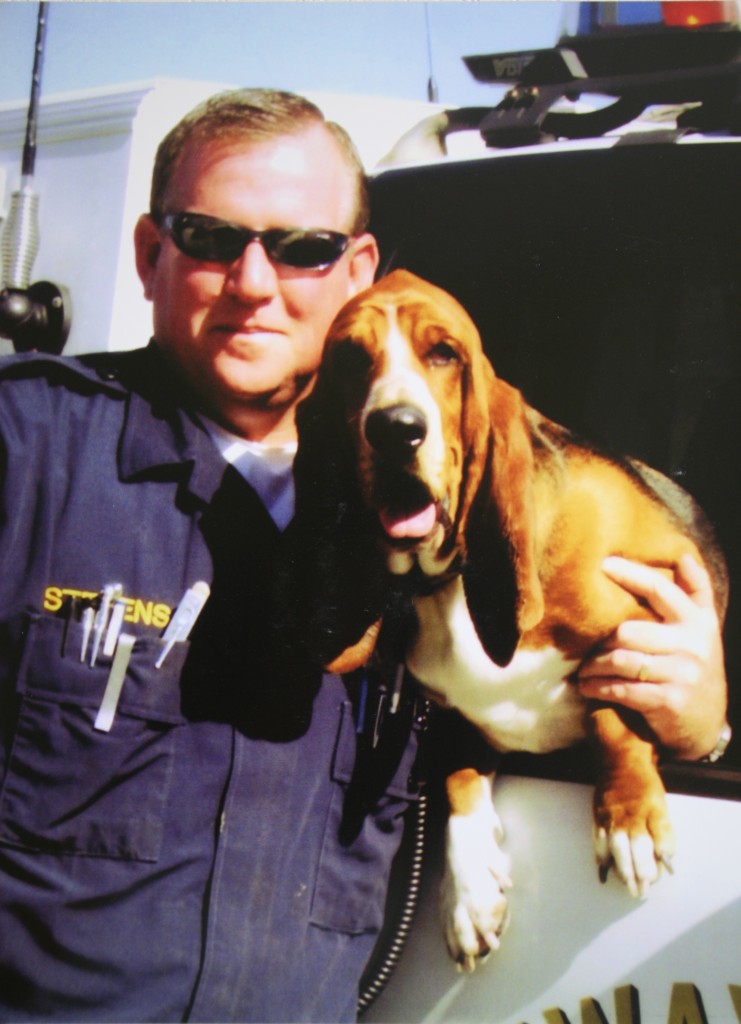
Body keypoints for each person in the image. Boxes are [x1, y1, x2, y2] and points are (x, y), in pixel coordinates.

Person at [0, 88, 729, 1024]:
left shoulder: (441, 513)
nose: (255, 283)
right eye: (211, 238)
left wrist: (696, 725)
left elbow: (505, 696)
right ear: (149, 254)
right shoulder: (31, 447)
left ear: (358, 269)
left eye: (301, 247)